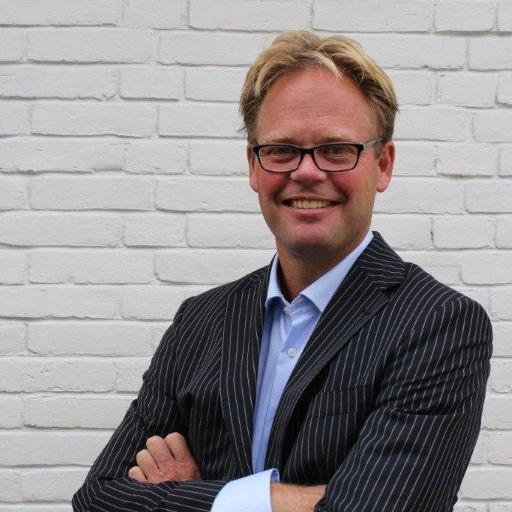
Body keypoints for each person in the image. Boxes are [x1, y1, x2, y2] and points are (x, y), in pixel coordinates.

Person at [72, 30, 492, 512]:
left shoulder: (440, 325)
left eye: (337, 149)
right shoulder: (200, 321)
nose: (307, 172)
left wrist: (198, 495)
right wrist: (295, 499)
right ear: (254, 166)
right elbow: (98, 497)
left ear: (383, 164)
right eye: (282, 150)